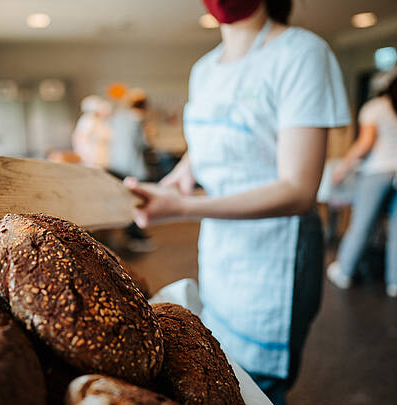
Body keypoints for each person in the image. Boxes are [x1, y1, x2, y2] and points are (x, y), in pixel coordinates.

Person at [123, 1, 351, 403]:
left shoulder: (301, 53)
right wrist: (181, 175)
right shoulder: (205, 69)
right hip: (223, 247)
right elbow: (212, 140)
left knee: (257, 387)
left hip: (277, 253)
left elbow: (298, 190)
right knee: (221, 364)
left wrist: (182, 208)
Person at [327, 74, 397, 297]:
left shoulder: (375, 107)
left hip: (378, 172)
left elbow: (365, 143)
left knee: (362, 223)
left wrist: (343, 168)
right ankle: (394, 281)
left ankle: (345, 271)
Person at [108, 88, 151, 181]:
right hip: (134, 165)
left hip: (116, 163)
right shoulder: (138, 119)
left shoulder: (117, 117)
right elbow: (144, 143)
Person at [72, 95, 113, 168]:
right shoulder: (88, 120)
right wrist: (86, 156)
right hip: (92, 159)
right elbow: (80, 138)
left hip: (100, 158)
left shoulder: (99, 121)